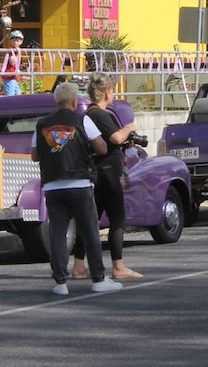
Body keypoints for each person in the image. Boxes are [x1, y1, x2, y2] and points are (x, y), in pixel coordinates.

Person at [30, 81, 122, 295]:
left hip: (53, 185)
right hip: (80, 183)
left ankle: (60, 282)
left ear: (55, 101)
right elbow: (101, 146)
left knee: (58, 233)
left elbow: (34, 155)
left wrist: (55, 145)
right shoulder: (83, 119)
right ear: (74, 101)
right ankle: (98, 279)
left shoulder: (42, 124)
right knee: (90, 231)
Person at [70, 72, 143, 281]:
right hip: (108, 173)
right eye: (112, 90)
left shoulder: (87, 115)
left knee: (90, 222)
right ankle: (118, 266)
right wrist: (129, 128)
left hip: (94, 173)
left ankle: (78, 265)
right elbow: (116, 137)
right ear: (107, 92)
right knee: (117, 219)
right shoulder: (101, 115)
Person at [2, 30, 24, 96]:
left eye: (17, 41)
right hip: (8, 77)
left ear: (21, 42)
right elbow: (12, 62)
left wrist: (22, 75)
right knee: (10, 96)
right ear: (10, 41)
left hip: (12, 77)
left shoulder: (16, 50)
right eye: (13, 40)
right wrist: (19, 53)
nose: (15, 42)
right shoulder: (12, 50)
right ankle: (8, 106)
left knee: (18, 93)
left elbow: (15, 67)